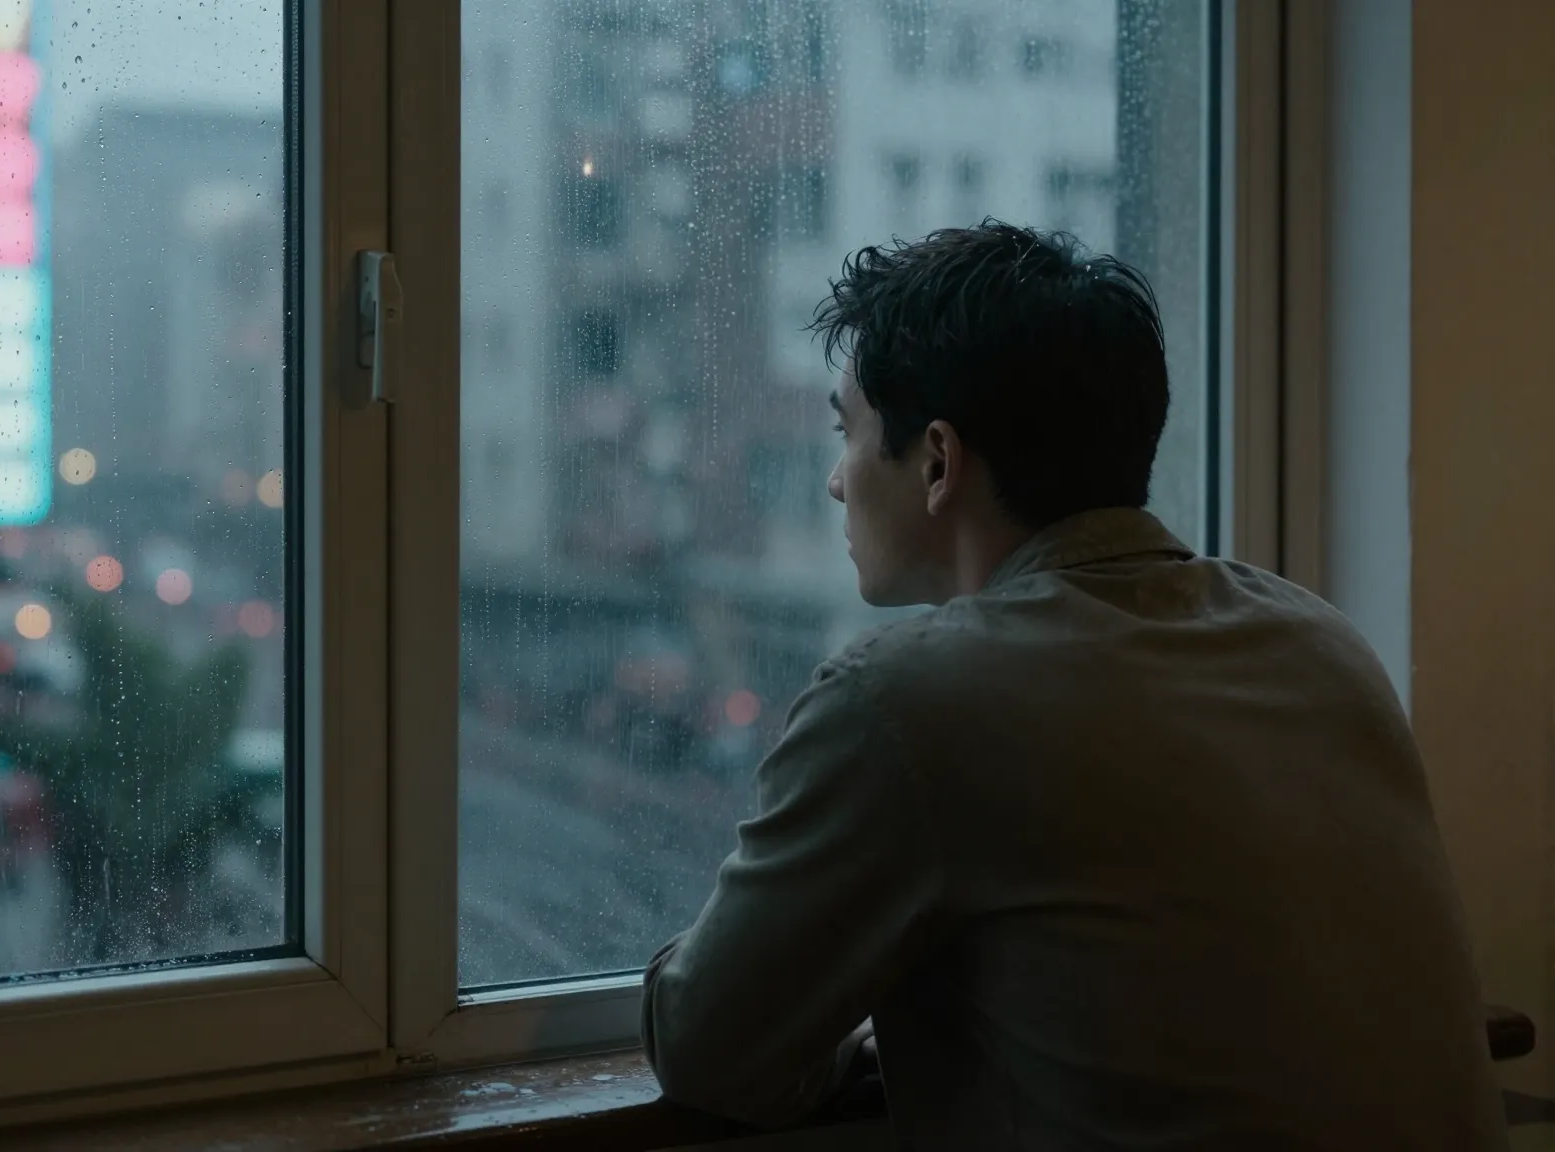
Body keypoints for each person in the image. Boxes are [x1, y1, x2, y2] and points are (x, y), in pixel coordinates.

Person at [639, 222, 1505, 1149]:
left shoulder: (906, 701)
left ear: (937, 462)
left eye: (846, 433)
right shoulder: (1322, 644)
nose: (834, 482)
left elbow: (707, 1043)